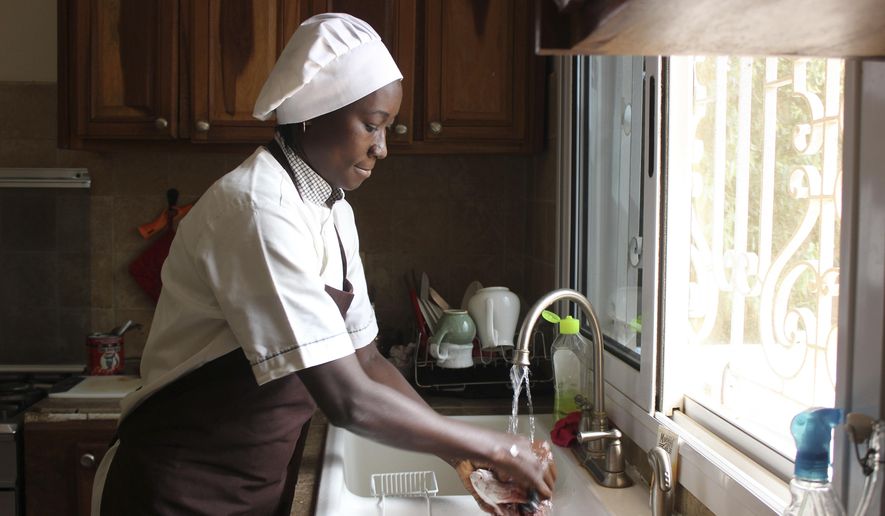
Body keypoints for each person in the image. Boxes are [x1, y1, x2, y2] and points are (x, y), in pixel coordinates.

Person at [91, 13, 555, 516]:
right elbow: (346, 399)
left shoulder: (332, 211)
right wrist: (491, 446)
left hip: (248, 488)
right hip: (175, 490)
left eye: (387, 129)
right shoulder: (255, 209)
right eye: (373, 126)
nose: (382, 147)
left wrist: (460, 458)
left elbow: (367, 361)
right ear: (313, 112)